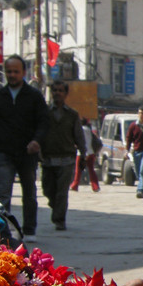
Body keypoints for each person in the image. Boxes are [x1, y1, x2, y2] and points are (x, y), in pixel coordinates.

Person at [0, 55, 48, 242]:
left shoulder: (34, 96)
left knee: (29, 193)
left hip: (27, 153)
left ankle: (29, 230)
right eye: (9, 71)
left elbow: (44, 122)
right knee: (2, 194)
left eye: (15, 71)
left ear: (23, 73)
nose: (12, 75)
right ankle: (3, 231)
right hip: (3, 152)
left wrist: (37, 141)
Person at [39, 80, 85, 231]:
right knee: (48, 190)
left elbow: (78, 135)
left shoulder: (72, 114)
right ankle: (56, 207)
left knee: (61, 192)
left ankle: (59, 220)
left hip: (67, 159)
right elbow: (38, 133)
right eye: (55, 90)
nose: (57, 93)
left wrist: (83, 153)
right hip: (48, 158)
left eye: (60, 90)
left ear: (65, 94)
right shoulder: (44, 113)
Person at [70, 116, 101, 193]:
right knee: (91, 171)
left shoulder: (80, 130)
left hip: (81, 153)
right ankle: (95, 186)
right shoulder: (89, 130)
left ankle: (75, 185)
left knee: (78, 171)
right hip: (90, 153)